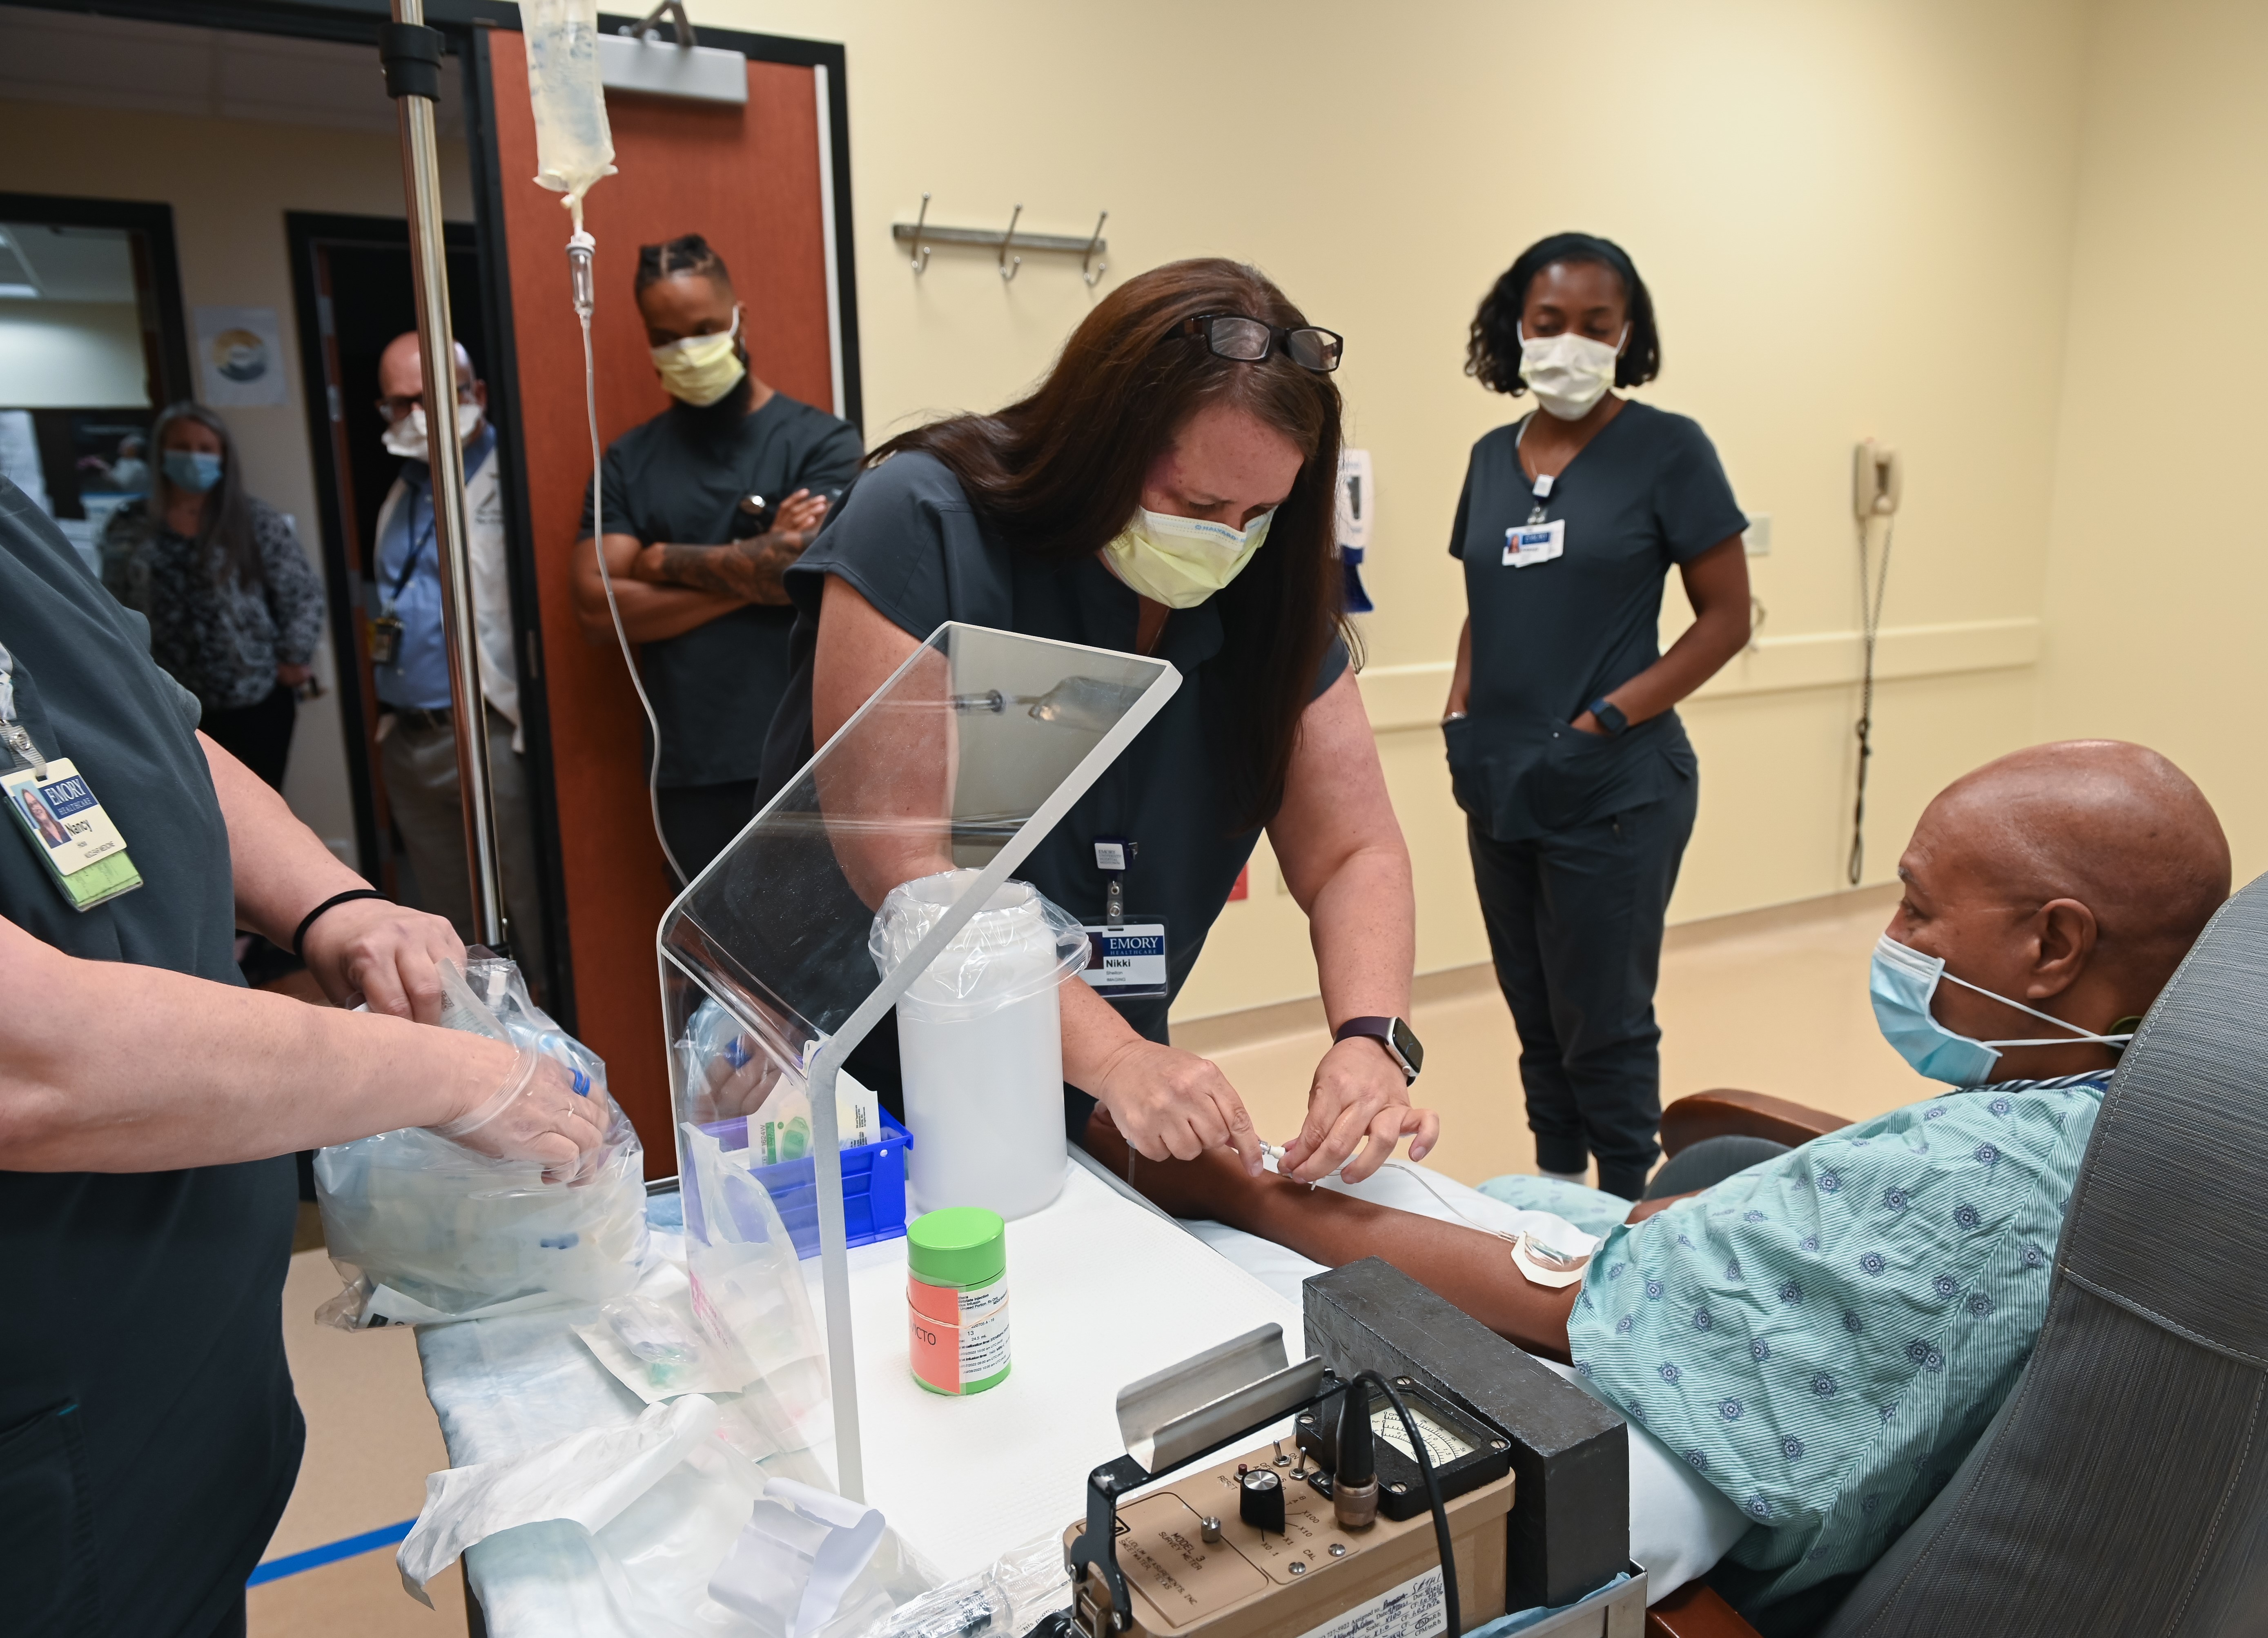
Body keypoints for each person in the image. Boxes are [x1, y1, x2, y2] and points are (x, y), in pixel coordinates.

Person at [1093, 740, 2229, 1626]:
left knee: (1235, 1270)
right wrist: (1717, 1220)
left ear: (2054, 947)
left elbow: (1577, 1302)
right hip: (1664, 1314)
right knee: (1450, 1189)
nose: (1894, 934)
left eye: (1920, 909)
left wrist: (1241, 1196)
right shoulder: (2109, 1110)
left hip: (1658, 1425)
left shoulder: (1978, 1175)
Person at [0, 476, 606, 1638]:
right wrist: (453, 1077)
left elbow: (147, 735)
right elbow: (32, 1061)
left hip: (166, 1388)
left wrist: (334, 904)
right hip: (44, 1442)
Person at [761, 258, 1438, 1189]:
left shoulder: (1266, 607)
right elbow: (907, 869)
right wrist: (1116, 1058)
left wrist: (1369, 1039)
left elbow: (1353, 851)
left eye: (1258, 516)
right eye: (1198, 507)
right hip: (866, 1088)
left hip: (1100, 1089)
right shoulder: (923, 524)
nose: (1223, 542)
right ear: (1100, 446)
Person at [1444, 233, 1754, 1200]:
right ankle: (1550, 1195)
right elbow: (1483, 598)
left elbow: (1727, 618)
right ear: (1515, 329)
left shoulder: (1667, 450)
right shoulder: (1492, 458)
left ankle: (1629, 1206)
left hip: (1615, 786)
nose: (1568, 343)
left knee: (1604, 1020)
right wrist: (1459, 712)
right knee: (1533, 1009)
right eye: (1548, 324)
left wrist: (1603, 724)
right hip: (1498, 779)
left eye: (1595, 325)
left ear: (1626, 335)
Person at [574, 233, 864, 877]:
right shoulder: (629, 461)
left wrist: (653, 562)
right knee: (709, 967)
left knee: (816, 966)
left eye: (704, 327)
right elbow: (597, 608)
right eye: (667, 336)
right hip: (691, 769)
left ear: (740, 318)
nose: (688, 350)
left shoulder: (821, 441)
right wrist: (755, 568)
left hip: (803, 758)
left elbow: (803, 565)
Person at [370, 333, 548, 992]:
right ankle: (485, 1062)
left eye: (438, 397)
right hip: (411, 739)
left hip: (492, 734)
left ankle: (561, 1059)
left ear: (476, 395)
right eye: (402, 403)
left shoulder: (514, 476)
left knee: (531, 915)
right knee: (449, 929)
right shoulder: (402, 493)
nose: (420, 416)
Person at [98, 402, 324, 790]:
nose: (194, 457)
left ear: (223, 456)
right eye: (182, 446)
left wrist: (295, 657)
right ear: (161, 454)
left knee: (260, 810)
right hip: (168, 702)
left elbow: (301, 593)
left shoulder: (254, 521)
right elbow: (112, 604)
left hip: (252, 697)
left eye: (205, 448)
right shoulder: (130, 526)